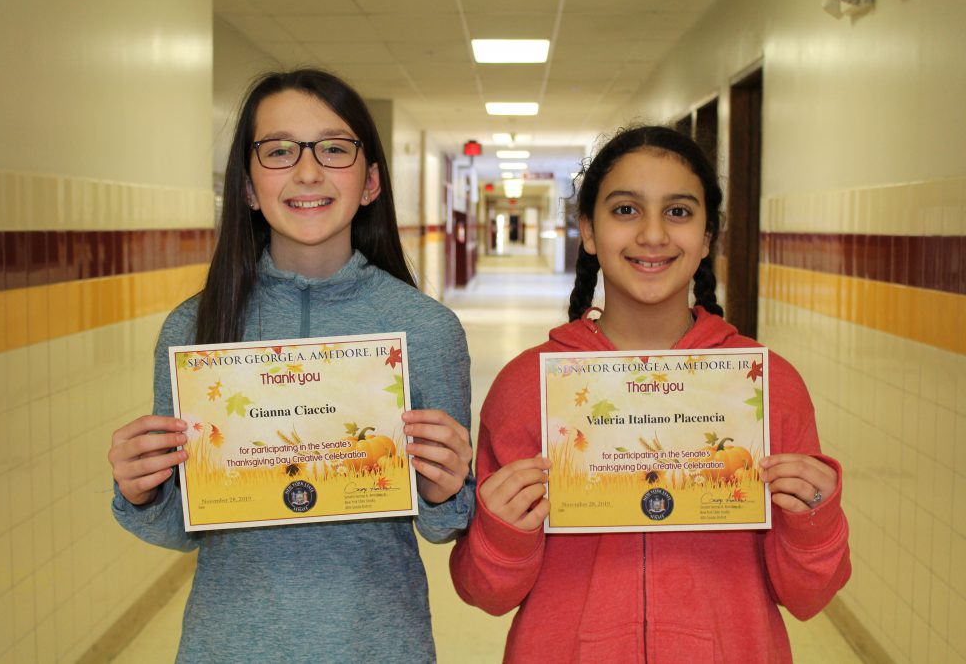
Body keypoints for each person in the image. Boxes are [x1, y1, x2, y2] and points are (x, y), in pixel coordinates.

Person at [108, 69, 474, 663]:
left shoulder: (426, 330)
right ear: (249, 187)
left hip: (378, 643)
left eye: (334, 149)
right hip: (229, 643)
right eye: (278, 151)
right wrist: (142, 490)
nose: (308, 172)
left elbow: (443, 525)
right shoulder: (194, 331)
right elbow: (181, 527)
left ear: (371, 180)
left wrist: (445, 485)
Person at [449, 125, 851, 663]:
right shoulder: (529, 388)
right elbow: (485, 593)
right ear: (587, 230)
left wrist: (814, 523)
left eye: (679, 212)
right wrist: (500, 536)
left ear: (709, 236)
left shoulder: (767, 388)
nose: (654, 235)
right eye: (626, 210)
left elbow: (809, 596)